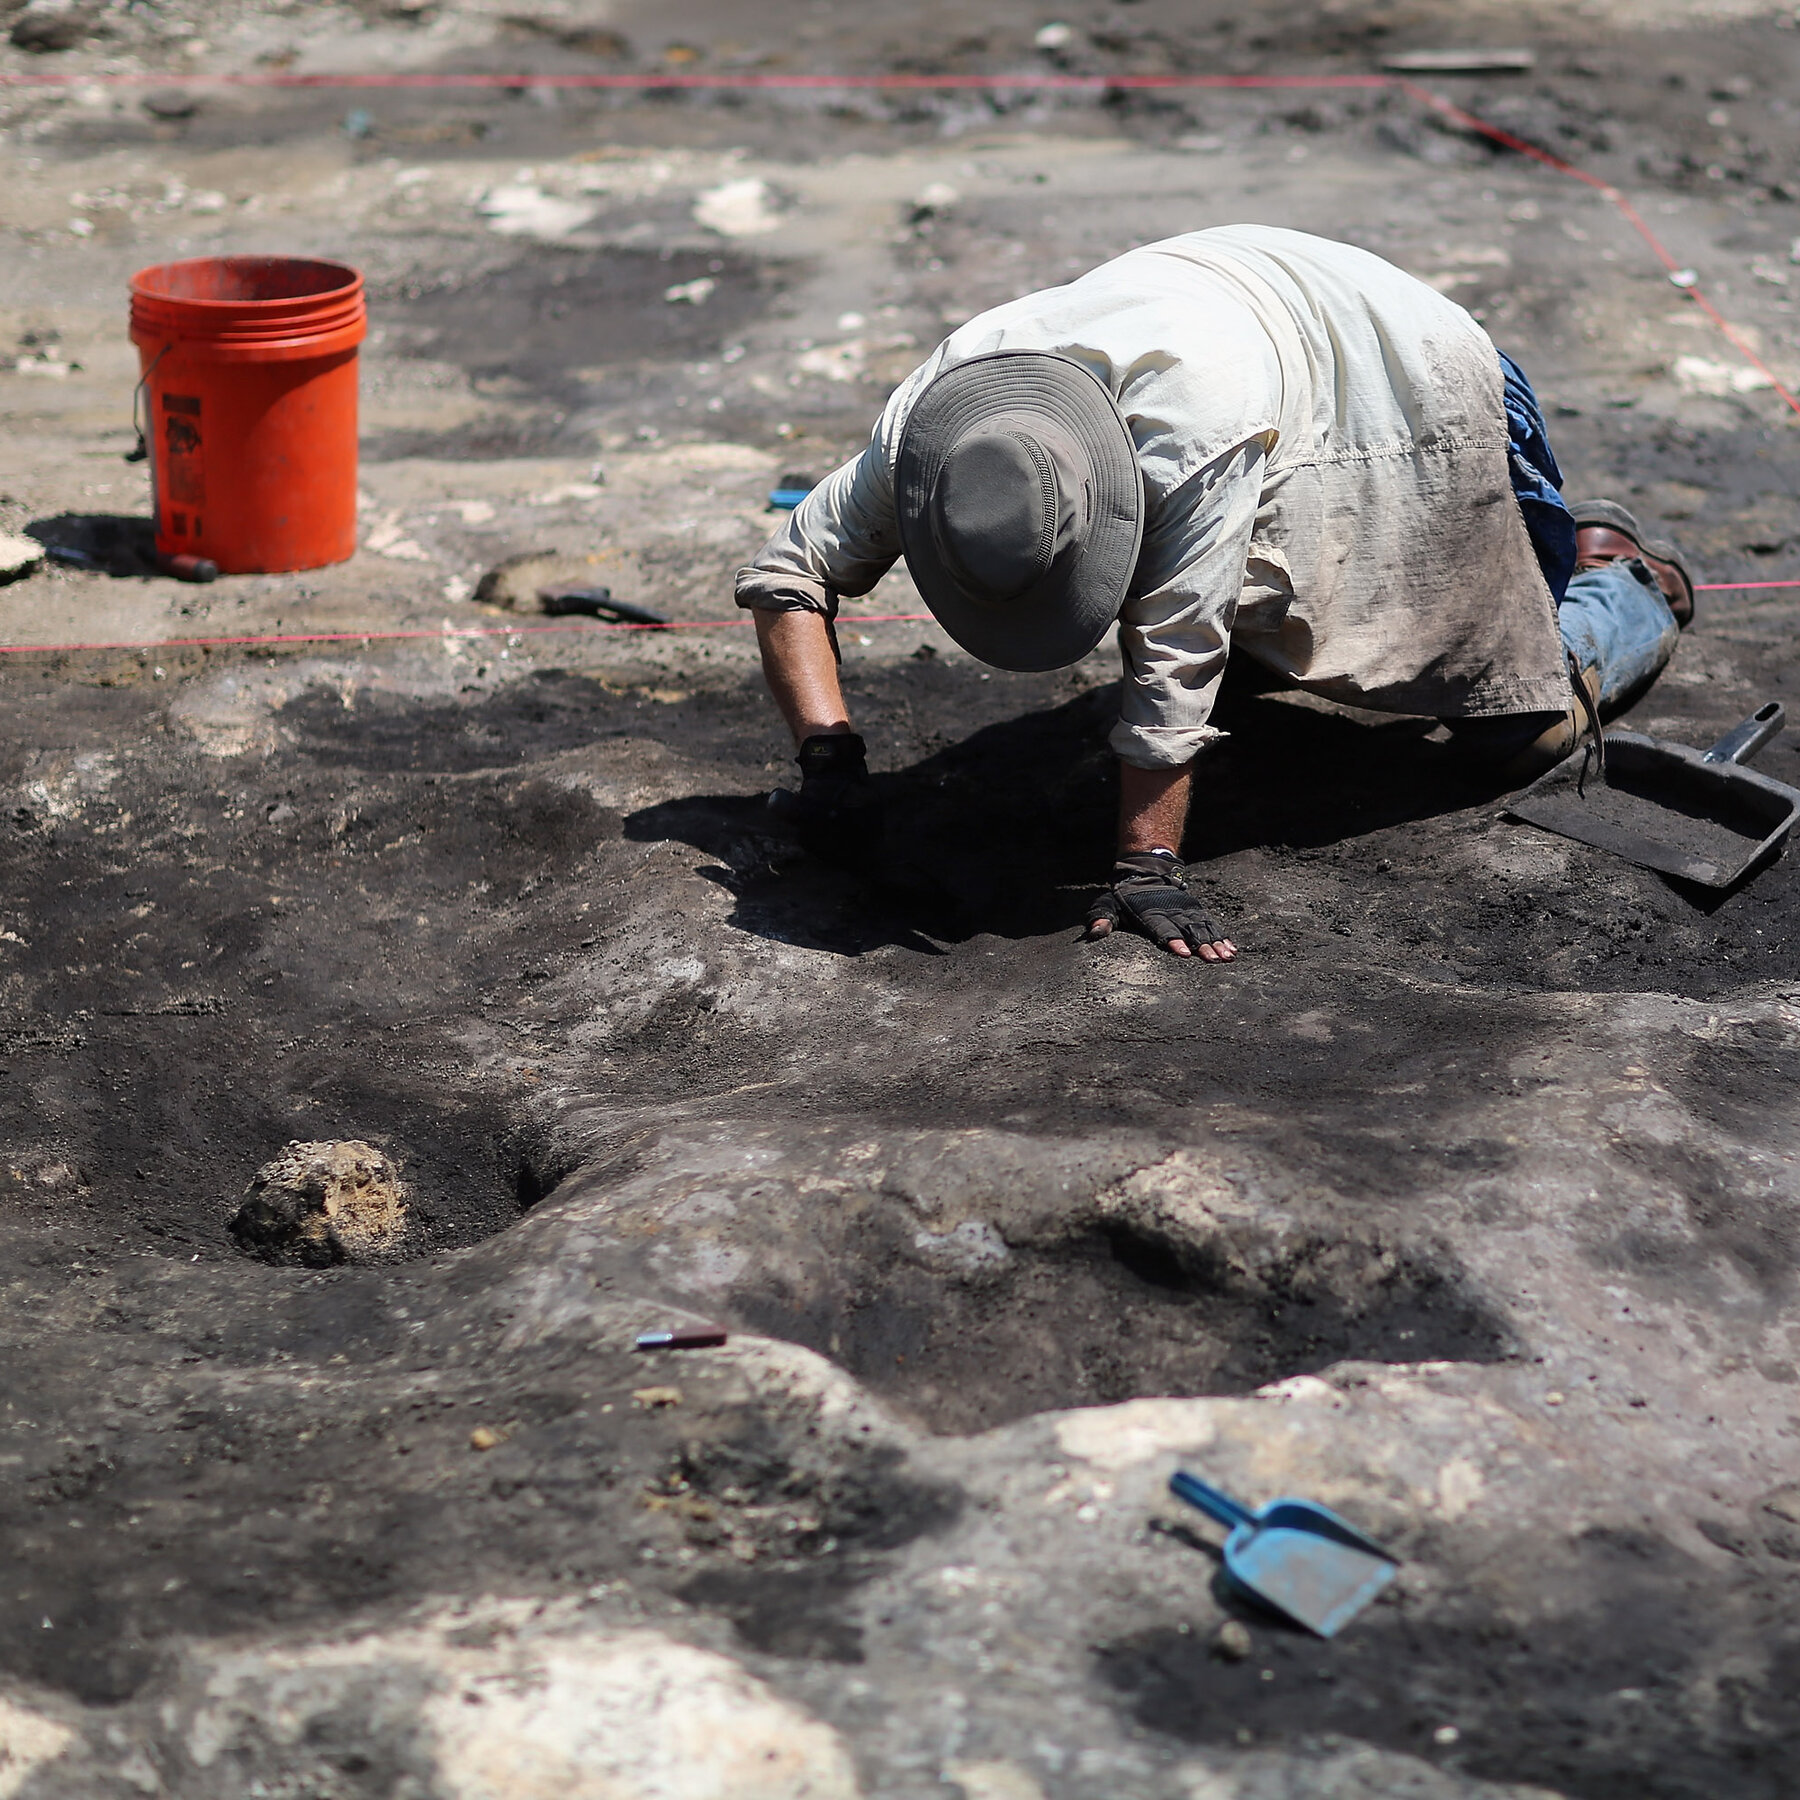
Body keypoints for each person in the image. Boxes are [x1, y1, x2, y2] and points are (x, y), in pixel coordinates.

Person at [736, 225, 1693, 962]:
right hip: (1253, 320)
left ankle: (1620, 579)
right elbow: (787, 574)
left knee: (1518, 730)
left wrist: (1146, 864)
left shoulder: (1188, 441)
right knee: (1246, 652)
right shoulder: (939, 428)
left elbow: (1176, 655)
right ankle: (1558, 543)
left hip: (1407, 375)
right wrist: (829, 762)